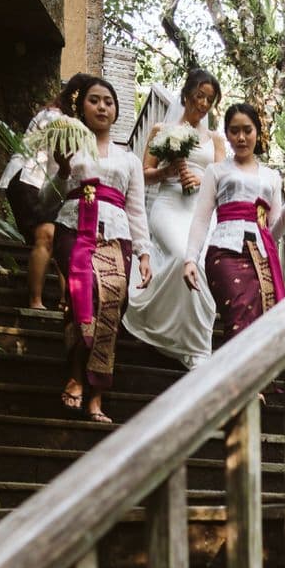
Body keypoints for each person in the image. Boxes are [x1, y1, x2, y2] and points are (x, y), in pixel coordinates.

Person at [50, 76, 152, 423]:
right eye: (94, 100)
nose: (102, 106)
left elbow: (137, 209)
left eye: (108, 101)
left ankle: (97, 393)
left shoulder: (130, 160)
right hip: (73, 227)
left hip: (116, 233)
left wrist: (144, 253)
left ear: (116, 109)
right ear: (82, 106)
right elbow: (50, 196)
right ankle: (77, 375)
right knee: (85, 293)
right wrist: (63, 170)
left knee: (112, 302)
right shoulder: (68, 147)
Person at [122, 69, 225, 367]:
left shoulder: (216, 140)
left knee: (202, 263)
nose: (204, 104)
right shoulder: (160, 130)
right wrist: (168, 171)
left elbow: (221, 179)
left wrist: (202, 177)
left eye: (210, 99)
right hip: (168, 204)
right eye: (199, 97)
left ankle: (196, 344)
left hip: (200, 211)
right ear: (186, 96)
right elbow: (143, 176)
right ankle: (168, 329)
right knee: (183, 255)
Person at [181, 102, 285, 344]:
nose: (241, 137)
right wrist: (190, 259)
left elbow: (274, 230)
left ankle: (248, 380)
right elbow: (202, 218)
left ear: (258, 131)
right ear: (226, 134)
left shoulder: (271, 177)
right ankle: (240, 380)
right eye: (234, 131)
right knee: (237, 315)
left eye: (247, 130)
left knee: (258, 323)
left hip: (260, 257)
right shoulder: (216, 171)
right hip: (224, 253)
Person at [0, 72, 91, 309]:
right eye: (91, 99)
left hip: (45, 184)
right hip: (29, 178)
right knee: (47, 235)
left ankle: (65, 301)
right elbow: (58, 158)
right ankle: (35, 301)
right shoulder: (55, 118)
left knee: (59, 237)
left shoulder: (68, 121)